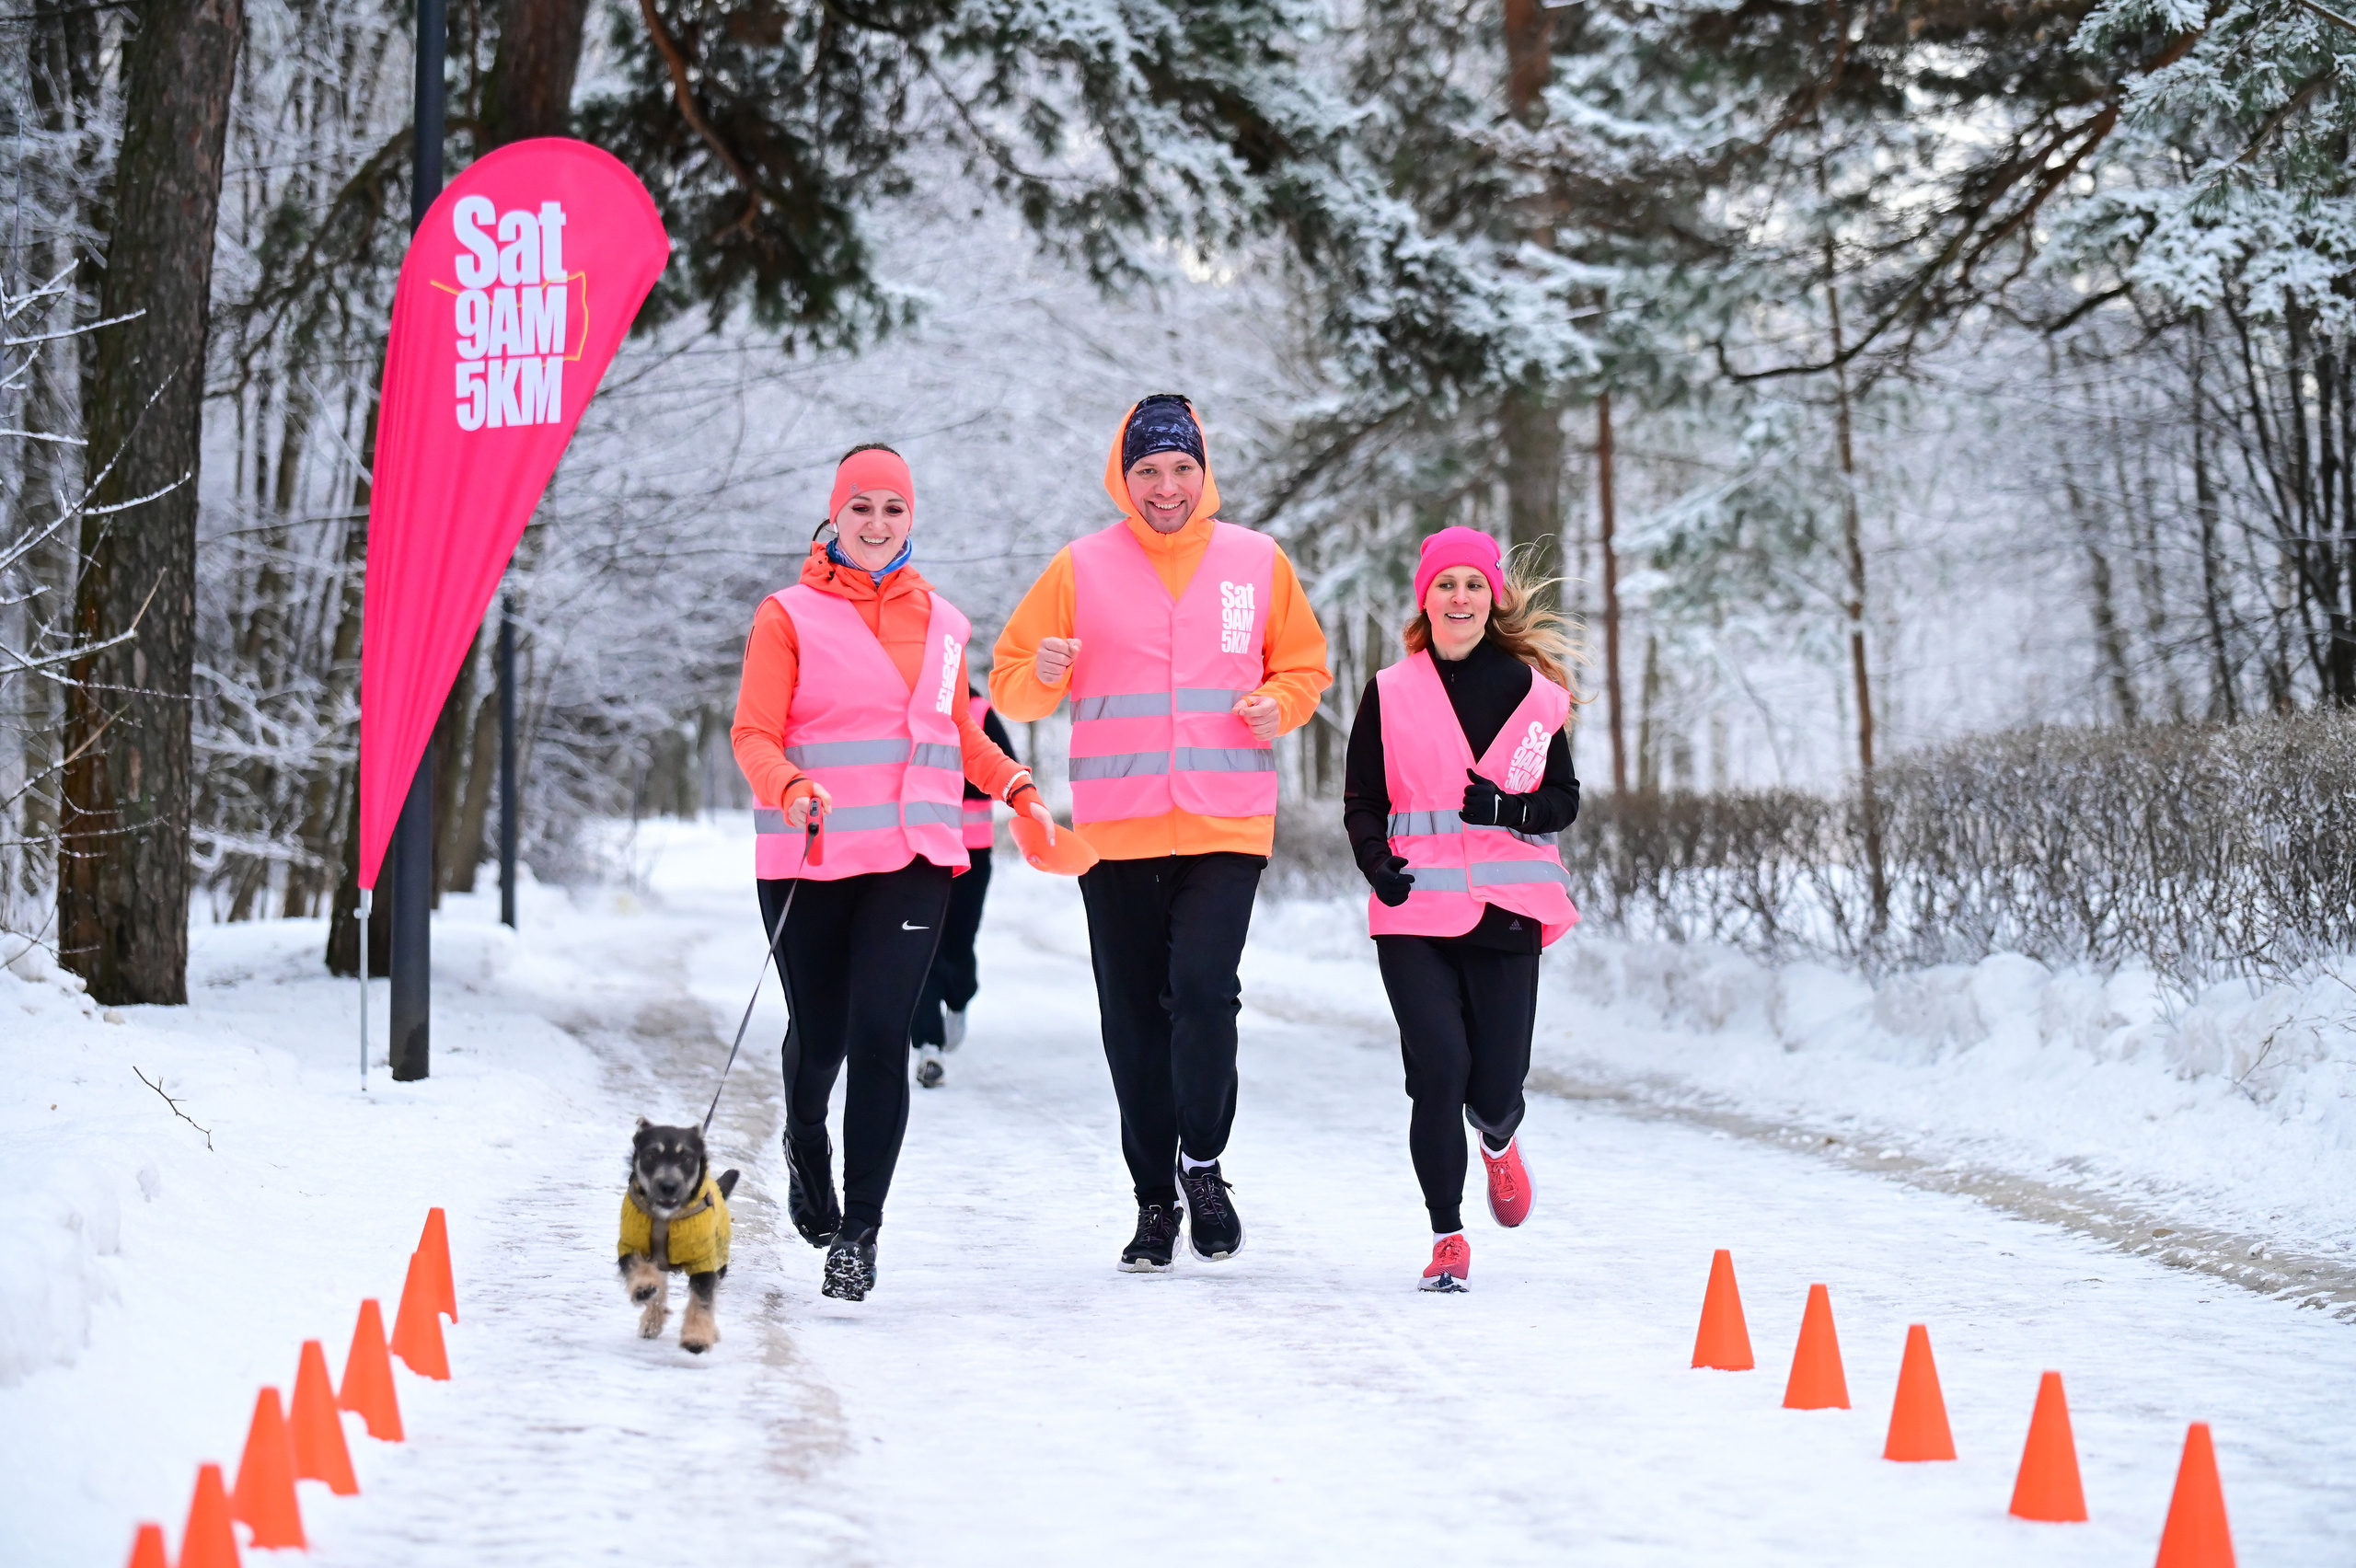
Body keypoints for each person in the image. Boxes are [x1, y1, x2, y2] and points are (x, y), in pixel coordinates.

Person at [991, 395, 1331, 1271]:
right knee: (1133, 1022)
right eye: (1148, 470)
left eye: (1181, 468)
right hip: (1118, 829)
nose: (1166, 486)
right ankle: (1153, 1203)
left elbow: (1304, 666)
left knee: (1206, 995)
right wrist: (1043, 669)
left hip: (1226, 821)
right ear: (1124, 477)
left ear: (1203, 472)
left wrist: (1277, 703)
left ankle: (1203, 1164)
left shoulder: (1256, 561)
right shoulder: (1081, 567)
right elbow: (1010, 687)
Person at [732, 444, 1061, 1302]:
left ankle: (860, 1232)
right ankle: (807, 1141)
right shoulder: (786, 615)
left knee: (883, 1037)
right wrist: (791, 786)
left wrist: (1016, 785)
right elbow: (753, 734)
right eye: (862, 507)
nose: (877, 524)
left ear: (913, 518)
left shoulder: (946, 624)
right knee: (822, 1037)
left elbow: (958, 735)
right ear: (835, 516)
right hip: (813, 853)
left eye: (894, 508)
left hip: (914, 860)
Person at [1340, 526, 1582, 1293]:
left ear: (1493, 598)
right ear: (1426, 598)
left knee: (1495, 1086)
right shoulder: (1390, 689)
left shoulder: (1533, 692)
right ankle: (1447, 1234)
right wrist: (1376, 862)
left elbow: (1563, 802)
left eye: (1473, 584)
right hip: (1415, 910)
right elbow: (1363, 800)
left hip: (1509, 906)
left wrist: (1508, 807)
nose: (1460, 597)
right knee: (1437, 1070)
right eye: (1446, 584)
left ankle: (1501, 1138)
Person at [908, 685, 1019, 1088]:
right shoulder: (909, 707)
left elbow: (1007, 768)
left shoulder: (978, 710)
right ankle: (927, 1046)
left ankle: (958, 997)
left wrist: (951, 775)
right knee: (922, 946)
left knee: (957, 942)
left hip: (972, 853)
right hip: (919, 853)